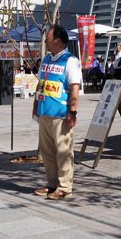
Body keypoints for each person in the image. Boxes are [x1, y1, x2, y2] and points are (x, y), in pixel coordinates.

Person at [32, 25, 81, 200]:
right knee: (47, 152)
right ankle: (51, 183)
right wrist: (36, 104)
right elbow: (40, 84)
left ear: (57, 41)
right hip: (46, 112)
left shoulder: (70, 60)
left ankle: (65, 187)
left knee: (63, 151)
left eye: (48, 39)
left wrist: (72, 112)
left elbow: (74, 86)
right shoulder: (46, 59)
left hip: (61, 114)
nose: (46, 42)